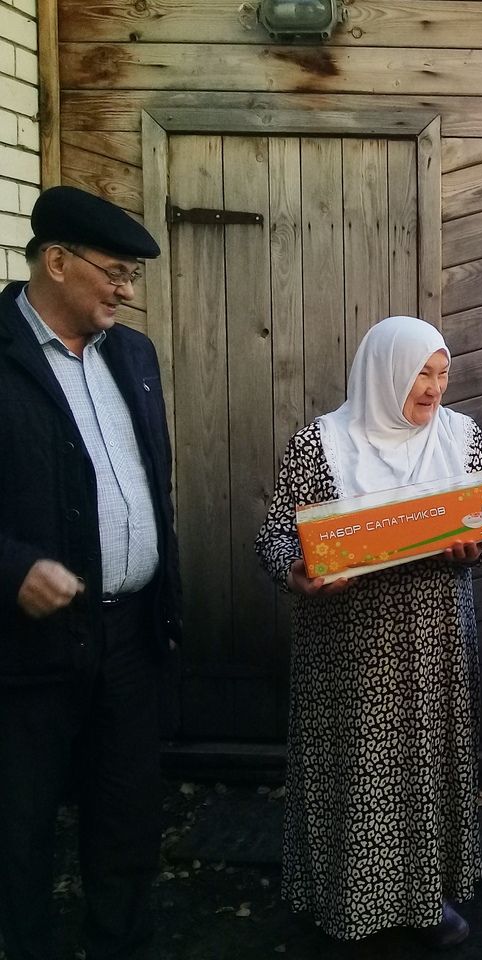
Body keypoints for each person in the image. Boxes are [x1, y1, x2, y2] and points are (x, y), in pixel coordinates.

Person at [255, 315, 482, 949]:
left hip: (435, 638)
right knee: (358, 765)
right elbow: (276, 534)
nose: (433, 389)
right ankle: (348, 900)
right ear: (384, 371)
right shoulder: (323, 443)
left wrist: (478, 547)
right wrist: (300, 573)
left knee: (428, 765)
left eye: (443, 374)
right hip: (348, 643)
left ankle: (426, 900)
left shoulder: (462, 438)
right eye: (421, 373)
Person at [0, 186, 182, 960]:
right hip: (27, 649)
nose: (126, 291)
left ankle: (121, 947)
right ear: (56, 260)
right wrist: (9, 567)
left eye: (132, 276)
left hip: (133, 634)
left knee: (126, 817)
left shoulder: (131, 355)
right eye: (115, 272)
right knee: (19, 826)